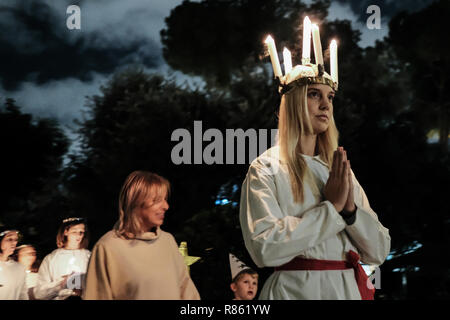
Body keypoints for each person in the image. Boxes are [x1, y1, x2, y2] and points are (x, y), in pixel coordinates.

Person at [239, 18, 391, 300]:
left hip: (346, 291)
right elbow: (265, 249)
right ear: (294, 102)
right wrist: (331, 211)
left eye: (330, 97)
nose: (326, 105)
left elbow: (379, 250)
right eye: (314, 95)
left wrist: (350, 214)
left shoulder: (337, 169)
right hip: (294, 291)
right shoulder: (266, 168)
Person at [83, 170, 200, 300]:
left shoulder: (168, 241)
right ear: (136, 202)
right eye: (157, 200)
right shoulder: (107, 247)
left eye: (165, 199)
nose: (166, 206)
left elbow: (187, 292)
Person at [34, 217, 91, 300]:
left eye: (81, 232)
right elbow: (39, 293)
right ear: (65, 232)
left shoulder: (89, 256)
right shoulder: (52, 258)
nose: (78, 235)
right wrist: (61, 284)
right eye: (74, 232)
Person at [0, 228, 28, 300]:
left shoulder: (19, 268)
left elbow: (23, 295)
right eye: (9, 239)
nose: (14, 243)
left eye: (16, 240)